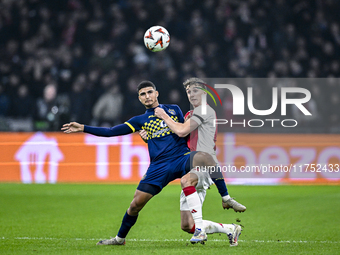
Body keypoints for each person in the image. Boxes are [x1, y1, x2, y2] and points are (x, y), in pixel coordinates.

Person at [62, 80, 240, 245]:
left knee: (204, 157)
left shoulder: (173, 110)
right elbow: (110, 131)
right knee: (135, 205)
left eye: (149, 92)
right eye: (142, 94)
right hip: (159, 166)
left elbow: (184, 132)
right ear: (139, 98)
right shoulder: (140, 121)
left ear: (156, 93)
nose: (147, 96)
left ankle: (225, 197)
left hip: (181, 158)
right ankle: (119, 238)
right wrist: (83, 128)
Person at [153, 77, 246, 245]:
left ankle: (201, 232)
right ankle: (230, 229)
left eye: (195, 90)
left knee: (185, 181)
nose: (191, 94)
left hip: (203, 162)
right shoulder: (191, 114)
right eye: (188, 92)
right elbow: (178, 136)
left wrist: (164, 116)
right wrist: (148, 137)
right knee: (186, 224)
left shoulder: (204, 110)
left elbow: (181, 131)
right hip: (191, 163)